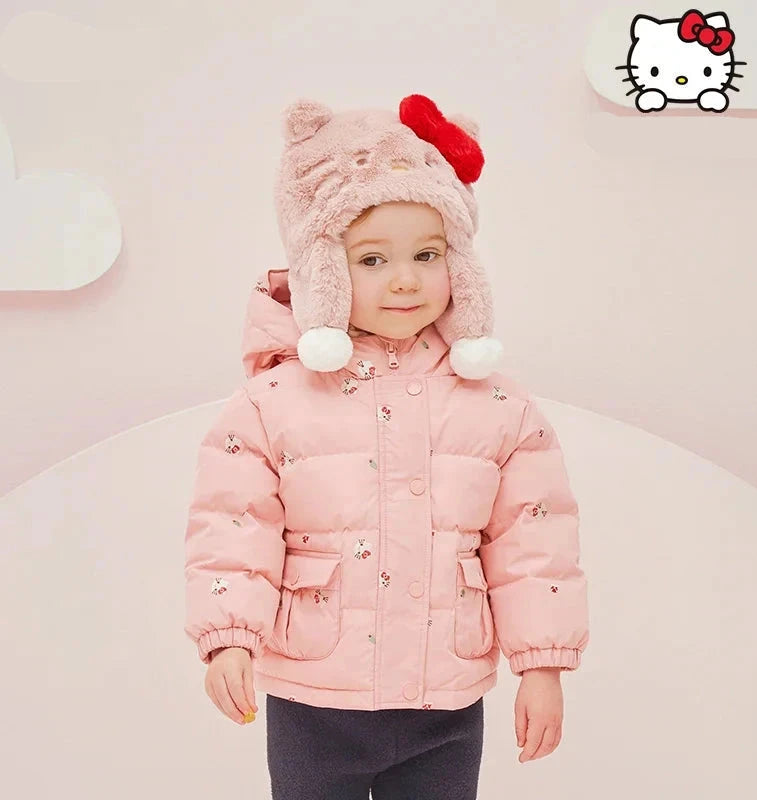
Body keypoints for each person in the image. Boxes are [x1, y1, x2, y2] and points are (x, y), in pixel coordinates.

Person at [184, 93, 590, 799]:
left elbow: (535, 542)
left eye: (427, 254)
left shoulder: (498, 404)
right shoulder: (272, 401)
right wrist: (228, 635)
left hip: (446, 700)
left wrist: (542, 665)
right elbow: (235, 527)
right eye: (372, 258)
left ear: (460, 264)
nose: (405, 279)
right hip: (314, 697)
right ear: (323, 268)